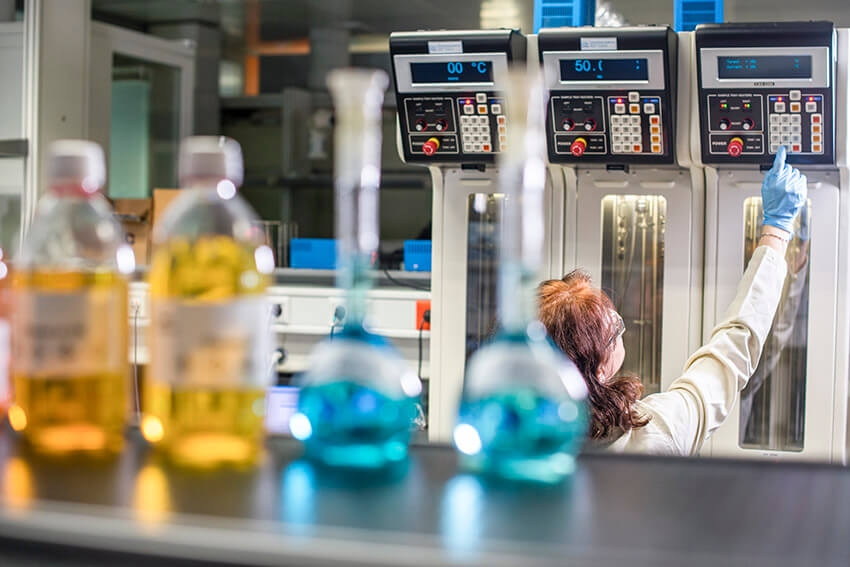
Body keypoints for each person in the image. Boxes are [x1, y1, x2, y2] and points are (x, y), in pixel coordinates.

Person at [538, 146, 807, 456]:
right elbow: (730, 355)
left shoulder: (514, 451)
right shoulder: (653, 436)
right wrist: (777, 230)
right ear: (597, 371)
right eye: (614, 331)